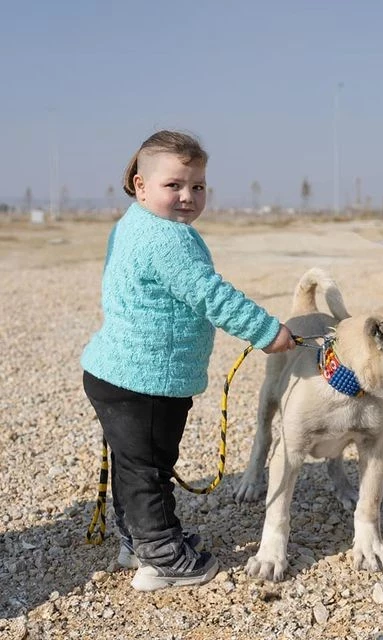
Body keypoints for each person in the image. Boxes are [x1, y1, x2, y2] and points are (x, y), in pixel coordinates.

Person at [81, 130, 296, 591]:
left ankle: (136, 541)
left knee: (133, 465)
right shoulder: (168, 240)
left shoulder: (135, 223)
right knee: (150, 471)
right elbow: (211, 295)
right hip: (145, 381)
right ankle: (161, 558)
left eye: (197, 186)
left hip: (115, 372)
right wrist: (268, 332)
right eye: (173, 185)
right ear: (140, 186)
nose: (187, 196)